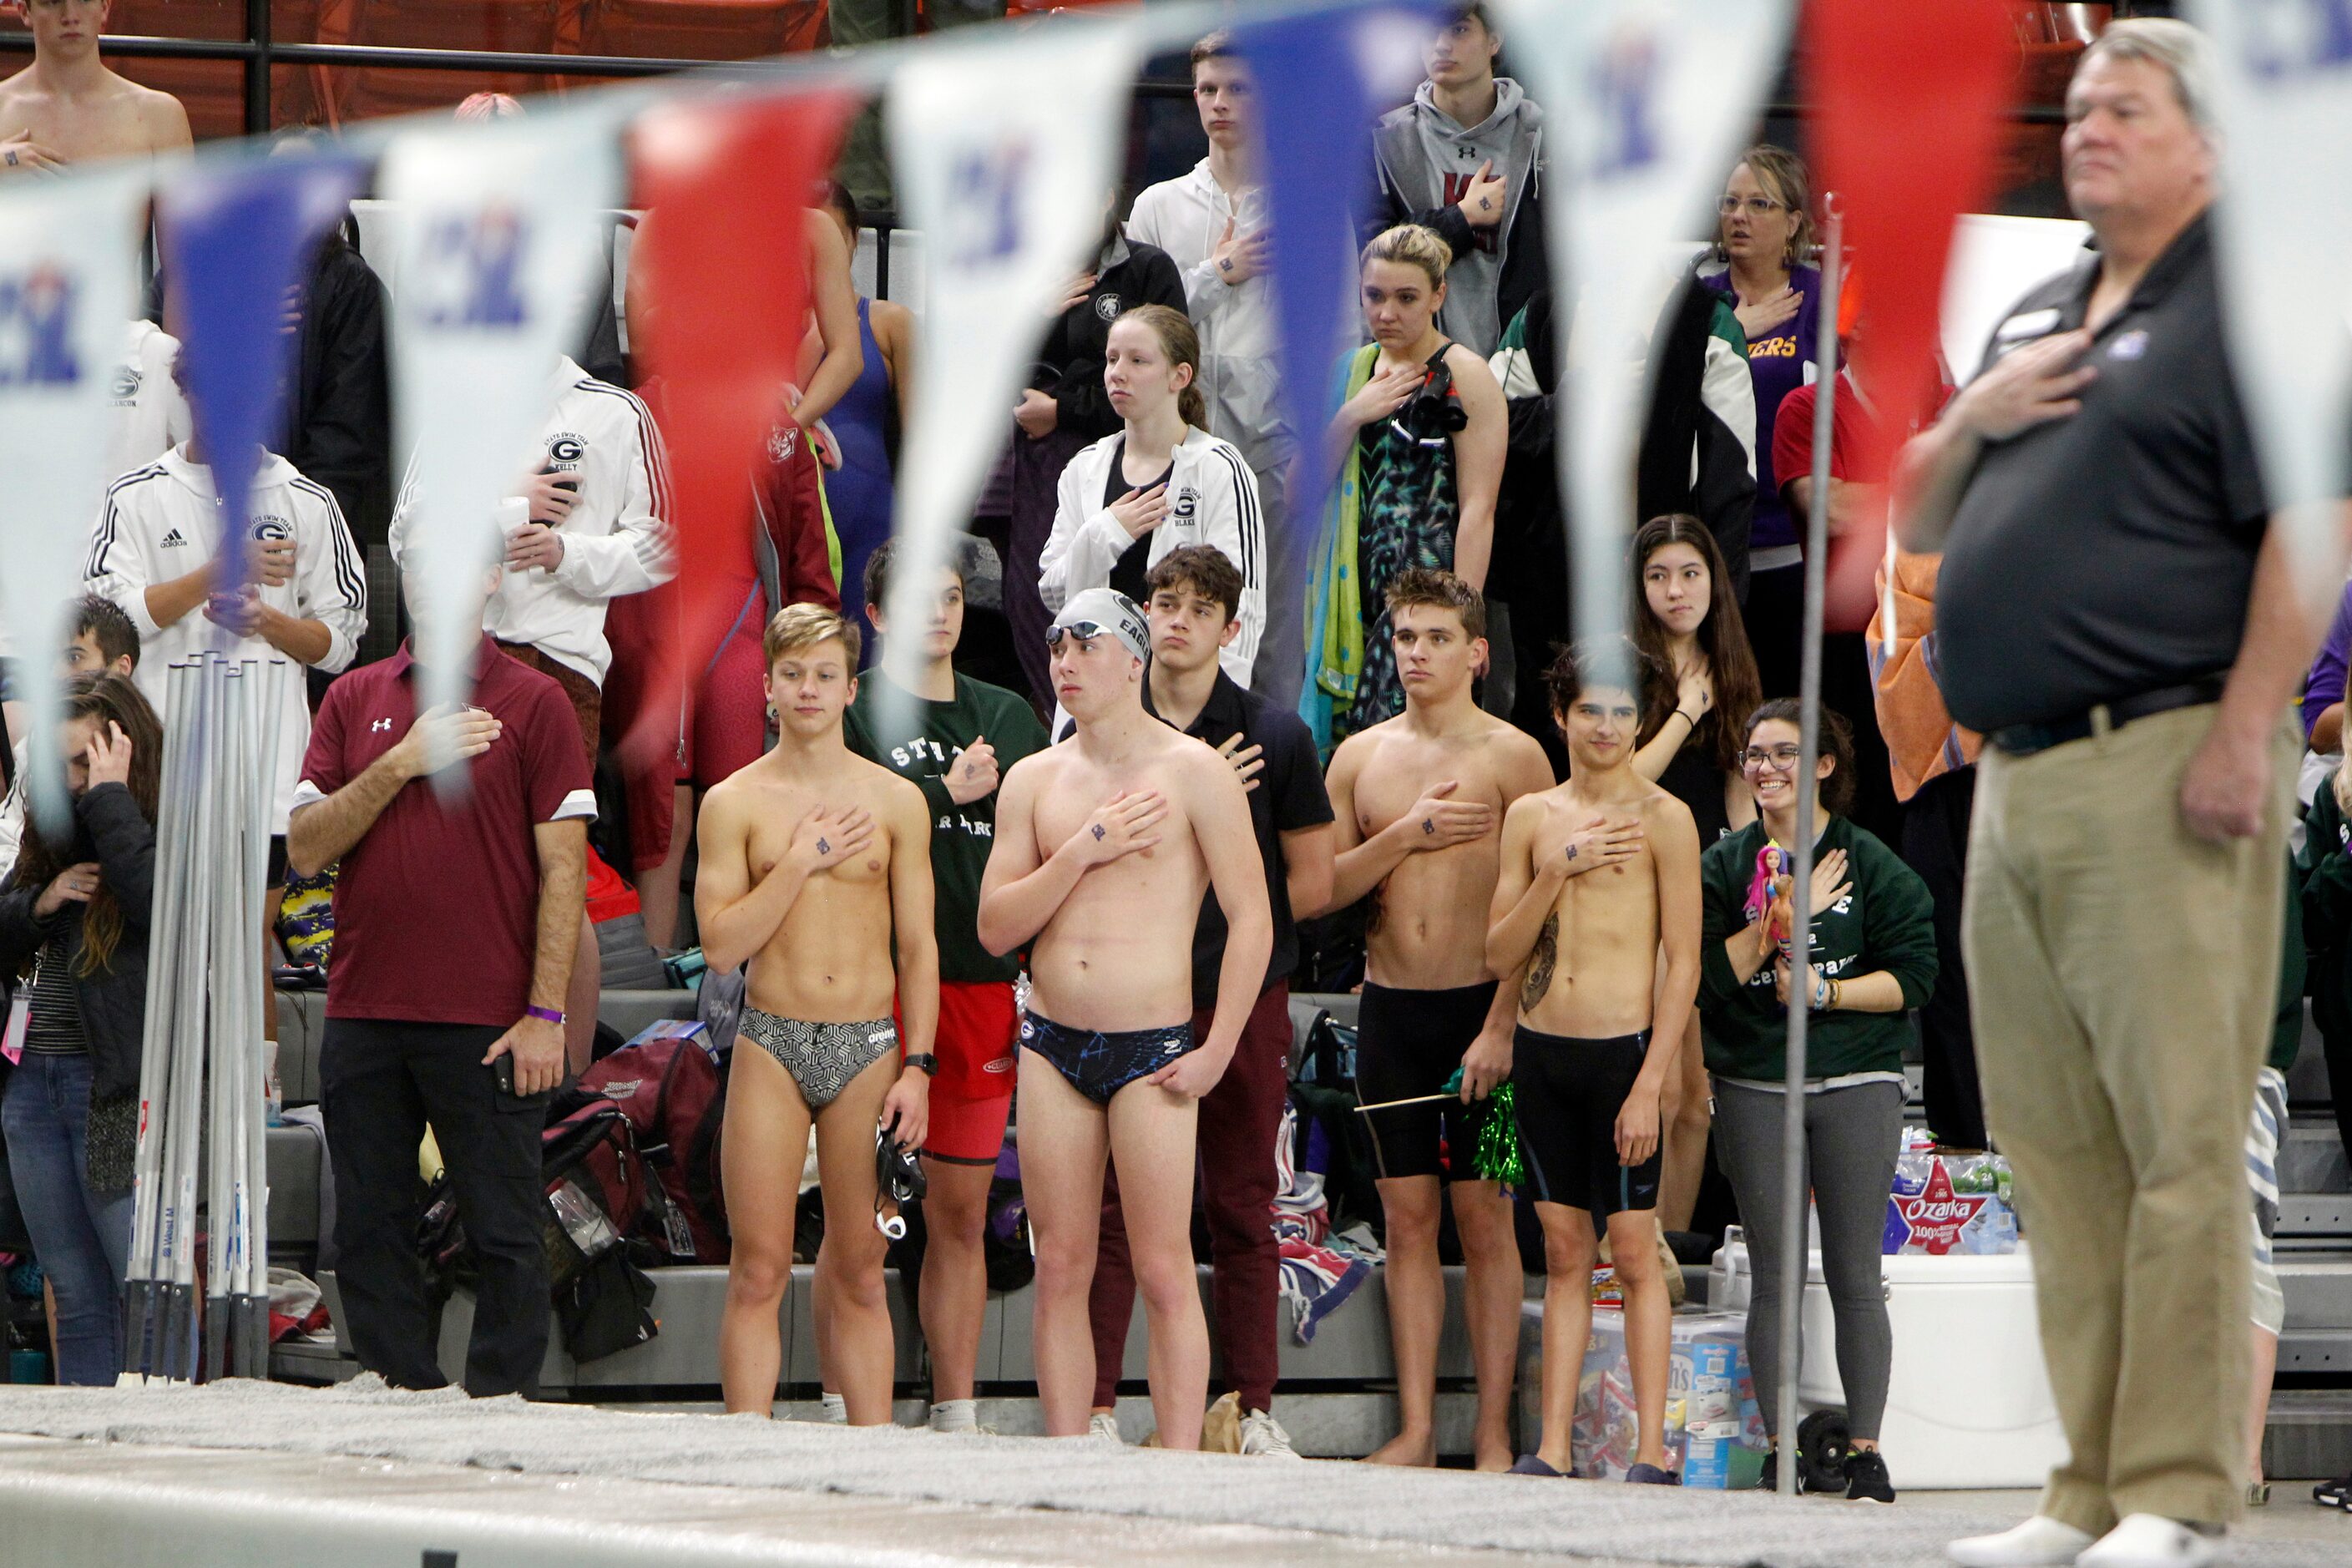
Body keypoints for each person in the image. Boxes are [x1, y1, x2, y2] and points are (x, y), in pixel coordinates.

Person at [1903, 23, 2315, 1566]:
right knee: (2054, 1151)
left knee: (2178, 1141)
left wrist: (2245, 731)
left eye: (2122, 106)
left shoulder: (2260, 298)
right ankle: (2085, 1485)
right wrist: (1973, 415)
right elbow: (1922, 501)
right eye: (2075, 106)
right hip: (2010, 772)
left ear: (2205, 141)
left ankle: (2177, 1491)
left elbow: (2308, 526)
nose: (2084, 127)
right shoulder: (2042, 300)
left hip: (2169, 746)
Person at [286, 539, 594, 1398]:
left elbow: (564, 870)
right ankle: (399, 1399)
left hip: (490, 1022)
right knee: (372, 1231)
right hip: (366, 1011)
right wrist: (401, 761)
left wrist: (547, 1014)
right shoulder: (353, 697)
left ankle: (500, 1414)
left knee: (504, 1232)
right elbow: (307, 849)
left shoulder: (536, 701)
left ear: (493, 576)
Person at [976, 587, 1270, 1449]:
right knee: (1060, 1266)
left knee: (1164, 1267)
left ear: (1133, 661)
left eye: (1084, 646)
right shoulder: (1034, 778)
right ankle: (1071, 1459)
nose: (1064, 663)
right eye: (1057, 648)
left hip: (1156, 1050)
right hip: (1054, 1044)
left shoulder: (1195, 771)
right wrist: (1085, 848)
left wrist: (1219, 1049)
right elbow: (996, 926)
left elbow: (1254, 918)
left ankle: (1176, 1469)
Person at [1085, 547, 1334, 1457]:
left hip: (1242, 990)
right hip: (1129, 992)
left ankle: (1250, 1408)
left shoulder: (1277, 733)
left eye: (1200, 607)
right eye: (1162, 601)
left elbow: (1311, 885)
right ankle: (1099, 1409)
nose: (1177, 620)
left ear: (1234, 627)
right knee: (1113, 1210)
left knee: (1241, 1202)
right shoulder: (1104, 727)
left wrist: (1222, 836)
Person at [1317, 569, 1551, 1469]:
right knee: (1405, 1219)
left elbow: (1540, 905)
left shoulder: (1514, 756)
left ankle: (1492, 1431)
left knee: (1487, 1215)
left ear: (1476, 653)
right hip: (1392, 1022)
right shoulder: (1360, 756)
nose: (1416, 653)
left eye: (1436, 639)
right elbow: (1321, 889)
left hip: (1480, 1018)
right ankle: (1416, 1429)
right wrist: (1402, 836)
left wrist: (1501, 1028)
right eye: (1405, 637)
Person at [390, 352, 675, 1067]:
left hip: (560, 665)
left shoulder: (613, 412)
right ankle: (458, 1052)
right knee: (452, 865)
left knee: (556, 875)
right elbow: (405, 536)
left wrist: (565, 552)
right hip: (453, 655)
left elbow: (664, 546)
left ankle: (568, 1079)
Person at [694, 602, 935, 1423]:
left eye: (823, 675)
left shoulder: (897, 801)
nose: (807, 690)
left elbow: (919, 950)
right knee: (758, 1271)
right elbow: (722, 946)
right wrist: (798, 862)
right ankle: (750, 1463)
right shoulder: (734, 802)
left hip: (868, 1045)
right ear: (768, 688)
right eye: (792, 675)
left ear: (848, 689)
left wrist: (920, 1065)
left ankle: (870, 1467)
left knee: (863, 1273)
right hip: (770, 1040)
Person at [1697, 700, 1935, 1504]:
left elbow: (1916, 977)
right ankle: (1779, 1450)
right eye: (1752, 755)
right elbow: (1701, 980)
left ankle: (1865, 1449)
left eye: (1784, 754)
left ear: (1825, 765)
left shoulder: (1869, 862)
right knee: (1773, 1275)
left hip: (1856, 1080)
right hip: (1755, 1082)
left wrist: (1823, 990)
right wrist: (1769, 930)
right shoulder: (1725, 865)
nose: (1764, 769)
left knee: (1854, 1273)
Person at [840, 539, 1045, 1434]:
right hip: (865, 987)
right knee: (866, 1215)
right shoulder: (849, 714)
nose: (941, 611)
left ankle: (956, 1410)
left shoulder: (1006, 715)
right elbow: (834, 825)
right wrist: (939, 790)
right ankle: (859, 1407)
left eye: (955, 595)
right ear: (877, 614)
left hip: (978, 988)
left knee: (960, 1213)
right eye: (920, 597)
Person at [1485, 639, 1698, 1484]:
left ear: (1641, 720)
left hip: (1624, 1054)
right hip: (1544, 1055)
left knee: (1635, 1253)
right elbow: (1499, 951)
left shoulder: (1665, 819)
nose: (1606, 727)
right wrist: (1555, 871)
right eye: (1591, 710)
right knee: (1564, 1251)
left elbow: (1682, 960)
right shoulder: (1532, 816)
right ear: (1561, 716)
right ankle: (1551, 1447)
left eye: (1622, 712)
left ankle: (1651, 1452)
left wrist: (1653, 1083)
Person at [1126, 33, 1302, 704]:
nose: (1220, 103)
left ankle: (1270, 771)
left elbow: (1339, 339)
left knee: (1277, 614)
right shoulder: (1158, 205)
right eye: (1207, 90)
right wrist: (1215, 274)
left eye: (1238, 89)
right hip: (1176, 445)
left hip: (1274, 441)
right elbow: (1138, 334)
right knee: (1172, 604)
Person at [0, 673, 158, 1385]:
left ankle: (167, 1440)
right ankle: (95, 1450)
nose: (72, 781)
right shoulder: (51, 833)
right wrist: (39, 904)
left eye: (85, 761)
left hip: (113, 1089)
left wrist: (111, 798)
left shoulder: (150, 828)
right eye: (64, 765)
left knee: (142, 1287)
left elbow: (159, 905)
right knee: (72, 1287)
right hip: (34, 1084)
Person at [1303, 225, 1506, 750]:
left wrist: (1461, 626)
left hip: (1430, 606)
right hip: (1357, 605)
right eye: (1374, 296)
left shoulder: (1466, 376)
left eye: (1406, 298)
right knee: (1357, 763)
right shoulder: (1352, 372)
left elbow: (1478, 511)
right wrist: (1351, 416)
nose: (1387, 313)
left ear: (1439, 295)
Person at [1627, 515, 1762, 1232]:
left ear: (1714, 581)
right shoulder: (1626, 666)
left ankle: (1669, 1247)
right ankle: (1630, 1246)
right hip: (1637, 887)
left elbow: (1744, 795)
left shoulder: (1731, 666)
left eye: (1689, 574)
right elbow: (1620, 782)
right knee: (1653, 1084)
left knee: (1694, 1093)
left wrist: (1759, 884)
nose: (1675, 592)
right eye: (1657, 576)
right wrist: (1684, 711)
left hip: (1708, 889)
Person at [1004, 204, 1187, 705]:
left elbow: (1156, 384)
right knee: (1032, 598)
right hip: (1044, 463)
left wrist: (1063, 410)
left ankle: (1158, 710)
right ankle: (1063, 716)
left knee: (1153, 586)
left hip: (1136, 453)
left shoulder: (1147, 269)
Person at [1039, 305, 1265, 689]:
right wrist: (1106, 533)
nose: (1117, 373)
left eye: (1138, 360)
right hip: (1097, 687)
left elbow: (1243, 605)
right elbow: (1054, 595)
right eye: (1112, 359)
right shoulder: (1085, 468)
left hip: (1182, 695)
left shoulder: (1219, 467)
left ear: (1180, 376)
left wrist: (1219, 709)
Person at [1867, 537, 1987, 1151]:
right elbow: (1894, 688)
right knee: (1944, 968)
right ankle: (1964, 1139)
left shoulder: (2034, 546)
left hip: (2024, 771)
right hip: (1933, 793)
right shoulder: (1898, 568)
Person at [1697, 145, 1825, 704]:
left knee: (1790, 706)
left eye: (1758, 204)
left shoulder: (1820, 300)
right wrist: (1731, 333)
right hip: (1711, 548)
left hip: (1793, 549)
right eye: (1729, 202)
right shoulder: (1696, 302)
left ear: (1794, 221)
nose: (1738, 216)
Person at [1370, 4, 1546, 359]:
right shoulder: (1382, 142)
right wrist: (1462, 217)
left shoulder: (1546, 137)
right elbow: (1370, 262)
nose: (1440, 45)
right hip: (1417, 374)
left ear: (1494, 41)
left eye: (1459, 31)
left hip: (1526, 369)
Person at [815, 183, 916, 635]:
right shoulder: (765, 331)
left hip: (871, 518)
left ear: (854, 240)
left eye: (830, 238)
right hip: (792, 523)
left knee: (873, 659)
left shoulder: (890, 323)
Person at [0, 599, 139, 892]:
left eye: (74, 658)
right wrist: (36, 901)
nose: (56, 674)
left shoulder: (164, 748)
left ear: (121, 667)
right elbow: (8, 842)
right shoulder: (37, 744)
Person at [0, 0, 192, 175]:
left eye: (84, 0)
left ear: (105, 7)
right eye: (52, 2)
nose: (70, 16)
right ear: (25, 12)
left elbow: (186, 213)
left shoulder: (160, 114)